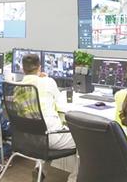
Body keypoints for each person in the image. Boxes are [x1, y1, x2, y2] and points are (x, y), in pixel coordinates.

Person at [20, 54, 76, 182]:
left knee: (43, 132)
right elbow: (60, 101)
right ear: (39, 67)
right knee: (83, 139)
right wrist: (47, 79)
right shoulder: (48, 82)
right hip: (49, 136)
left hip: (29, 137)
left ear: (23, 69)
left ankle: (40, 171)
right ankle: (74, 179)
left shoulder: (17, 86)